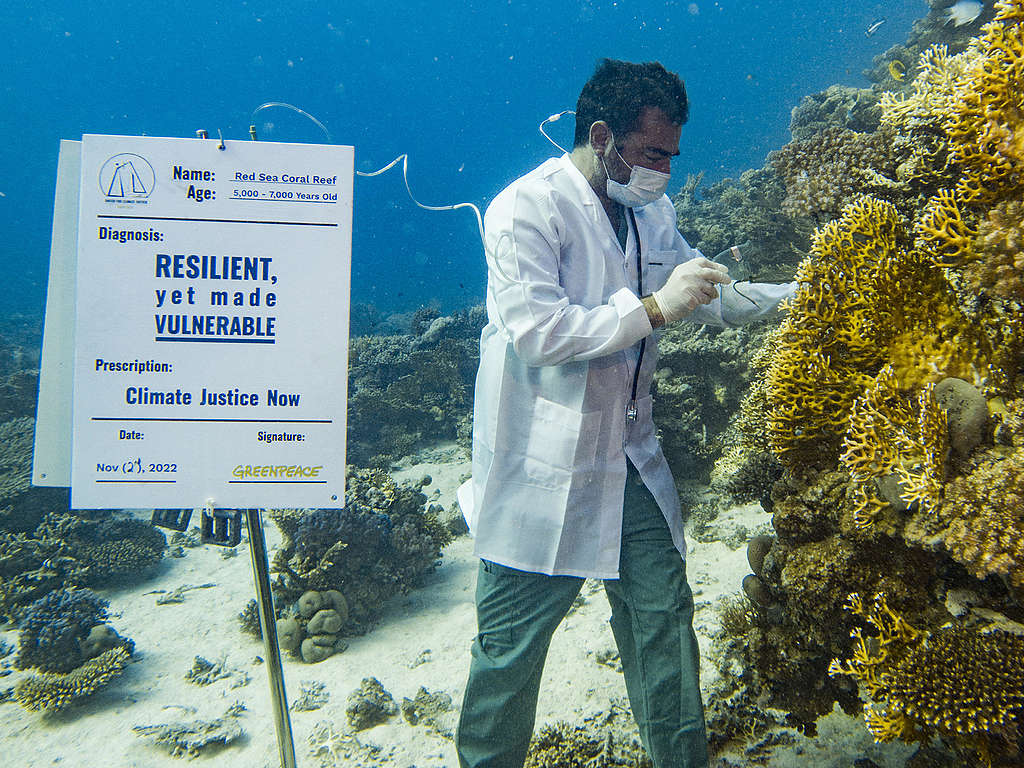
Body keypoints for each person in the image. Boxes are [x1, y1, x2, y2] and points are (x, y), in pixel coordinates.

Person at [455, 59, 795, 768]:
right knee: (510, 650)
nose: (663, 172)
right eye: (650, 155)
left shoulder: (650, 211)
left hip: (628, 455)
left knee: (663, 621)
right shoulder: (525, 209)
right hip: (539, 471)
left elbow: (705, 291)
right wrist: (653, 308)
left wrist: (798, 293)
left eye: (672, 156)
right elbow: (539, 332)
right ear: (602, 135)